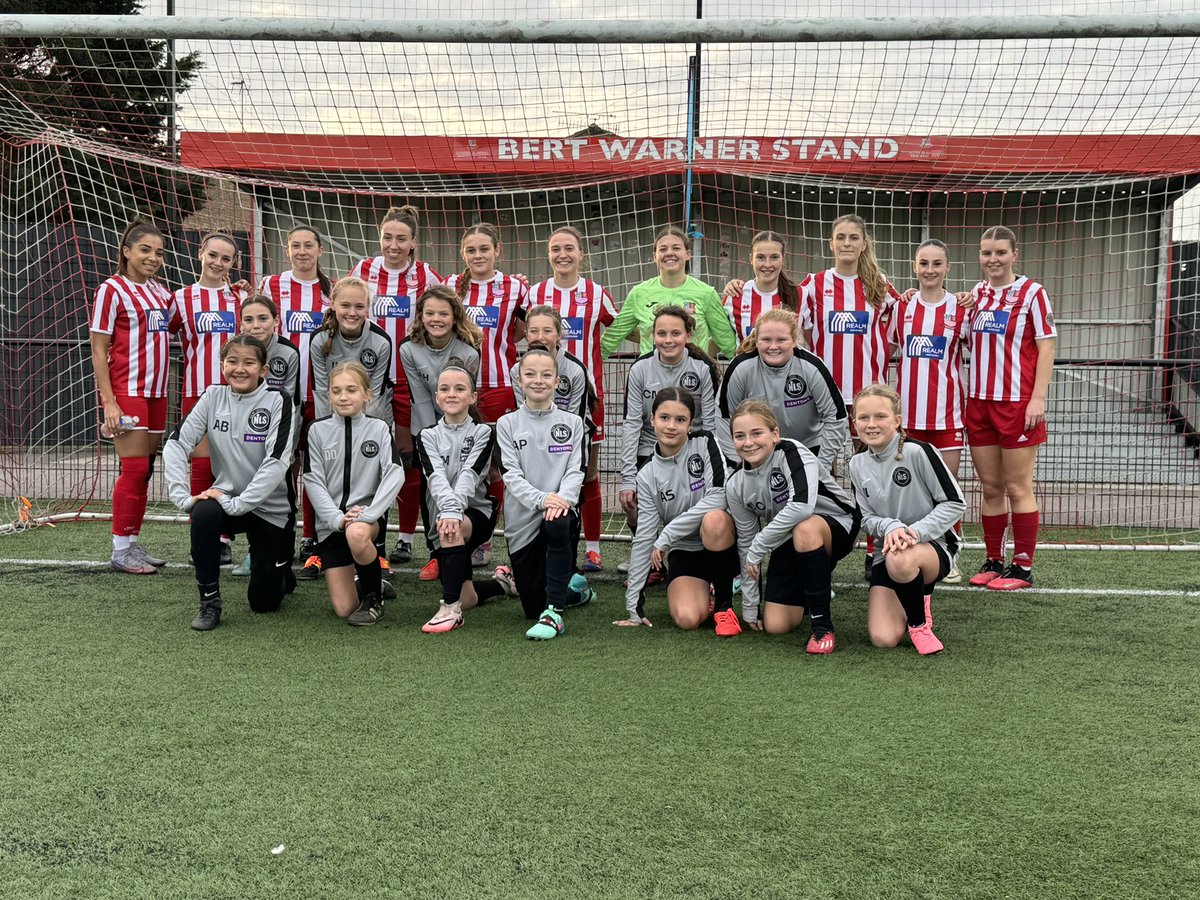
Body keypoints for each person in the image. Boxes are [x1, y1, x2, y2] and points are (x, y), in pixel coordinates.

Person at [162, 334, 297, 630]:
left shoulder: (279, 401)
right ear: (222, 365)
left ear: (263, 369)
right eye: (232, 362)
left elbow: (276, 463)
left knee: (264, 604)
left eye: (249, 363)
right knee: (203, 512)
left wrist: (240, 504)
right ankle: (209, 602)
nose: (240, 369)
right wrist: (183, 497)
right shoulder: (213, 397)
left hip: (269, 509)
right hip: (227, 500)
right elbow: (175, 444)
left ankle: (280, 570)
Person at [349, 205, 444, 567]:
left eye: (401, 238)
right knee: (367, 459)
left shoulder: (426, 274)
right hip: (368, 378)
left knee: (408, 459)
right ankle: (364, 531)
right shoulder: (363, 270)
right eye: (388, 237)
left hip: (408, 378)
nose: (393, 244)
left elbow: (443, 311)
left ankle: (406, 539)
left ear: (413, 243)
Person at [726, 400, 861, 653]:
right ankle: (812, 587)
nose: (748, 442)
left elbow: (801, 507)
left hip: (838, 524)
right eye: (739, 436)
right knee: (777, 624)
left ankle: (822, 628)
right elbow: (746, 540)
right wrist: (750, 604)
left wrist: (758, 546)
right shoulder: (735, 485)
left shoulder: (792, 451)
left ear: (775, 434)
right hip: (788, 535)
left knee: (805, 528)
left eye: (757, 433)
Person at [965, 225, 1056, 591]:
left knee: (1018, 486)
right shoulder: (977, 294)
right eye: (987, 253)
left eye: (1000, 252)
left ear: (1014, 254)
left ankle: (1022, 567)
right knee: (989, 486)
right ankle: (993, 560)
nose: (993, 259)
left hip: (1018, 403)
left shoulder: (1033, 293)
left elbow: (1047, 347)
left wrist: (1038, 397)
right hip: (980, 403)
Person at [613, 388, 741, 636]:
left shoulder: (705, 443)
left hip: (722, 541)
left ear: (691, 424)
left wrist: (668, 534)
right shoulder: (647, 474)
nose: (671, 426)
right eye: (664, 418)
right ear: (652, 420)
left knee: (713, 519)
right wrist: (633, 607)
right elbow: (645, 538)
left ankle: (724, 605)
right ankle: (705, 592)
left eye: (680, 420)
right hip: (686, 548)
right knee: (687, 619)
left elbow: (719, 496)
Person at [850, 384, 966, 655]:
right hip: (887, 552)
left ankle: (919, 624)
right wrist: (889, 526)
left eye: (880, 416)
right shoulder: (856, 464)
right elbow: (865, 518)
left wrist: (912, 533)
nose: (871, 424)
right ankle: (912, 596)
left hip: (932, 547)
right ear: (854, 423)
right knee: (883, 638)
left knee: (901, 558)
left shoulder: (918, 452)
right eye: (863, 418)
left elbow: (955, 503)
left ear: (897, 421)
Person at [528, 226, 617, 571]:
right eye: (555, 249)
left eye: (569, 248)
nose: (562, 254)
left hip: (585, 397)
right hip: (539, 393)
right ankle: (540, 542)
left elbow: (624, 327)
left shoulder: (596, 293)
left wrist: (599, 354)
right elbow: (517, 329)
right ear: (548, 255)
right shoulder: (535, 292)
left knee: (588, 473)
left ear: (581, 254)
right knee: (539, 473)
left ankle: (592, 548)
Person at [495, 345, 596, 640]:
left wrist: (561, 500)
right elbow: (509, 474)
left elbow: (576, 471)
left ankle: (554, 614)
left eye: (545, 375)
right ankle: (575, 593)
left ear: (556, 381)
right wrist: (542, 499)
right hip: (523, 518)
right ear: (519, 380)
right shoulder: (506, 424)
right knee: (530, 606)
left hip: (558, 511)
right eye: (530, 374)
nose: (538, 380)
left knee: (558, 522)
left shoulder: (573, 423)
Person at [89, 220, 173, 574]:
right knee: (134, 468)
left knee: (145, 470)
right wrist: (109, 401)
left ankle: (132, 543)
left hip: (157, 392)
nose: (153, 257)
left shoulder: (160, 292)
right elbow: (98, 349)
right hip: (128, 392)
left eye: (158, 252)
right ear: (126, 251)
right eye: (145, 250)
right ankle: (119, 550)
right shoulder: (112, 290)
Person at [445, 222, 530, 565]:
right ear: (463, 253)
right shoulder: (451, 286)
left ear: (498, 251)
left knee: (497, 468)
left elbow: (524, 330)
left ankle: (488, 539)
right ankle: (465, 531)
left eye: (484, 249)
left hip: (498, 388)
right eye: (471, 250)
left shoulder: (515, 287)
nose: (478, 255)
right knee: (463, 464)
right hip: (459, 387)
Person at [300, 276, 395, 581]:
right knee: (323, 475)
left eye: (359, 306)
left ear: (368, 308)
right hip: (331, 418)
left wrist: (363, 429)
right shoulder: (319, 340)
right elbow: (319, 390)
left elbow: (376, 395)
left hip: (372, 419)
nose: (351, 312)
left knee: (376, 476)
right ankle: (318, 545)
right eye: (345, 305)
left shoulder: (380, 341)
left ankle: (376, 552)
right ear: (333, 305)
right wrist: (335, 429)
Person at [887, 239, 971, 583]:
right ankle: (897, 549)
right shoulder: (902, 308)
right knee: (904, 488)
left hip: (946, 415)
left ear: (947, 268)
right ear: (914, 267)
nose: (930, 270)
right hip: (907, 416)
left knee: (945, 489)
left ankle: (949, 554)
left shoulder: (963, 309)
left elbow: (979, 350)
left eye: (937, 264)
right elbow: (884, 347)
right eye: (924, 263)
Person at [415, 362, 518, 633]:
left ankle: (450, 610)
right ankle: (502, 583)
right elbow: (434, 477)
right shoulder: (426, 436)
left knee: (454, 527)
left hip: (475, 515)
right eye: (445, 389)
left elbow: (470, 477)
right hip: (441, 517)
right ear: (436, 396)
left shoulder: (483, 433)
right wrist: (447, 511)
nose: (451, 394)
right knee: (468, 596)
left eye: (460, 389)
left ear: (472, 397)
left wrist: (451, 512)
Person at [168, 231, 249, 567]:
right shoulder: (180, 298)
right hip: (196, 393)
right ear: (201, 253)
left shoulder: (239, 300)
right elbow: (160, 338)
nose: (218, 263)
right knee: (201, 465)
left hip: (236, 394)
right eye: (213, 255)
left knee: (229, 464)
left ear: (234, 263)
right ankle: (204, 536)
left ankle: (225, 536)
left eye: (226, 258)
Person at [303, 362, 405, 625]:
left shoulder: (379, 429)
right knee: (344, 607)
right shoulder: (316, 430)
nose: (344, 396)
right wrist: (336, 518)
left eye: (351, 390)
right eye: (336, 391)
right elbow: (313, 482)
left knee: (357, 534)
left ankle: (373, 599)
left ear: (366, 395)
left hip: (365, 519)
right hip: (331, 523)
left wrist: (369, 514)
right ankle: (374, 581)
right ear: (329, 396)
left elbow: (395, 474)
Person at [258, 225, 333, 574]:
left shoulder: (332, 289)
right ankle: (275, 533)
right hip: (279, 394)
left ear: (320, 250)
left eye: (309, 245)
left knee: (316, 466)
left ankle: (312, 534)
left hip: (319, 393)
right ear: (287, 250)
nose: (302, 251)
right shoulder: (271, 285)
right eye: (295, 245)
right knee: (284, 464)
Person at [398, 284, 483, 581]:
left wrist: (455, 434)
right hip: (430, 427)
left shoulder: (468, 352)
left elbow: (466, 397)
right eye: (430, 313)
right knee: (431, 486)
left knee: (462, 481)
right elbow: (420, 398)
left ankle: (466, 544)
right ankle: (436, 553)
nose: (437, 319)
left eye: (443, 314)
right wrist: (429, 441)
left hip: (462, 425)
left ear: (454, 316)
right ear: (421, 316)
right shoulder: (408, 349)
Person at [619, 305, 720, 532]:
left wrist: (714, 464)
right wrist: (627, 478)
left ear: (688, 335)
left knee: (701, 508)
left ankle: (688, 551)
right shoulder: (640, 369)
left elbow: (712, 424)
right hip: (650, 448)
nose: (668, 340)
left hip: (692, 447)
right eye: (661, 334)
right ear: (653, 335)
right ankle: (647, 556)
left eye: (676, 333)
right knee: (636, 506)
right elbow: (632, 423)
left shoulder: (702, 368)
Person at [717, 308, 847, 471]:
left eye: (781, 340)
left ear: (794, 340)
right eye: (766, 340)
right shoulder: (741, 368)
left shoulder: (812, 367)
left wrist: (821, 466)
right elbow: (723, 416)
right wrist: (736, 463)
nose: (773, 347)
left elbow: (836, 417)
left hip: (807, 448)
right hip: (757, 450)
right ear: (756, 340)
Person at [229, 293, 302, 576]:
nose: (256, 325)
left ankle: (285, 551)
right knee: (251, 492)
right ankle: (254, 552)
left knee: (282, 492)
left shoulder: (289, 353)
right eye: (249, 319)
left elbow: (293, 402)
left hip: (280, 437)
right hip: (247, 436)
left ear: (276, 321)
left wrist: (288, 444)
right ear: (241, 323)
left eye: (263, 318)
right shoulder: (235, 349)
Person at [600, 225, 738, 359]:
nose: (669, 253)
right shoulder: (639, 294)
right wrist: (586, 370)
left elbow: (728, 343)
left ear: (688, 254)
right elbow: (612, 337)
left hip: (694, 377)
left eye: (676, 248)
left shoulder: (706, 294)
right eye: (663, 249)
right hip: (651, 378)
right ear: (655, 256)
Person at [510, 306, 594, 430]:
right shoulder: (516, 370)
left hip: (567, 437)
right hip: (532, 435)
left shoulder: (576, 370)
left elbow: (577, 422)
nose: (540, 337)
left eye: (547, 331)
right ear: (526, 334)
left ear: (559, 334)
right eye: (533, 331)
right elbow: (523, 415)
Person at [721, 230, 802, 339]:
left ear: (783, 259)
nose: (767, 264)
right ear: (751, 259)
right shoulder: (735, 294)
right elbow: (721, 339)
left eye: (774, 257)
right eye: (760, 257)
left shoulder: (800, 294)